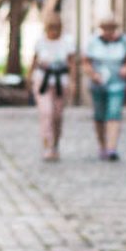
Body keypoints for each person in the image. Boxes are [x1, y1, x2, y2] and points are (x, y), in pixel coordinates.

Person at [84, 14, 126, 160]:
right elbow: (86, 61)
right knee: (99, 116)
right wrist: (93, 75)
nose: (108, 31)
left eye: (111, 28)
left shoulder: (124, 40)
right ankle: (102, 145)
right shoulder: (93, 41)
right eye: (105, 28)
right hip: (98, 83)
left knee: (114, 113)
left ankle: (112, 148)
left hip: (117, 82)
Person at [29, 10, 73, 162]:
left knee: (57, 116)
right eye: (51, 28)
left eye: (56, 28)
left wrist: (73, 83)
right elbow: (33, 62)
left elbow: (71, 63)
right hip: (43, 82)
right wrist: (29, 80)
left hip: (61, 82)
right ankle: (47, 146)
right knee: (46, 113)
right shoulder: (40, 42)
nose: (53, 31)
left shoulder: (67, 42)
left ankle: (55, 144)